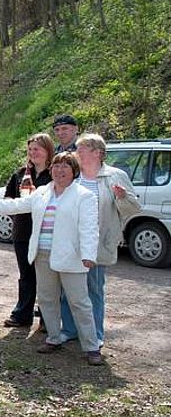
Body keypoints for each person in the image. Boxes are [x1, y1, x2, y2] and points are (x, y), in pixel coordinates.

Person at [0, 152, 103, 365]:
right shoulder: (42, 192)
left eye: (66, 166)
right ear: (51, 170)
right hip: (42, 255)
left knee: (80, 303)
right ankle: (54, 338)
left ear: (74, 171)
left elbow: (89, 228)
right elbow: (18, 205)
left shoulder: (84, 196)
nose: (60, 171)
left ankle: (92, 347)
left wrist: (88, 255)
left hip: (72, 257)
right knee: (47, 300)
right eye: (56, 166)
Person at [59, 133, 141, 347]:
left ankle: (95, 334)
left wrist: (122, 197)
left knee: (93, 288)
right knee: (67, 288)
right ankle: (69, 330)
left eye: (81, 149)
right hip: (71, 240)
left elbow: (133, 208)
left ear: (97, 153)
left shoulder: (115, 176)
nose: (76, 153)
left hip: (97, 242)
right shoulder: (73, 175)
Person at [2, 133, 54, 328]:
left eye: (37, 149)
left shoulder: (54, 174)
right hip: (23, 231)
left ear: (47, 150)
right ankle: (23, 314)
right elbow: (9, 197)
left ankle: (47, 318)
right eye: (30, 149)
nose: (33, 153)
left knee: (46, 277)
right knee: (26, 275)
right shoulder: (21, 174)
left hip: (46, 232)